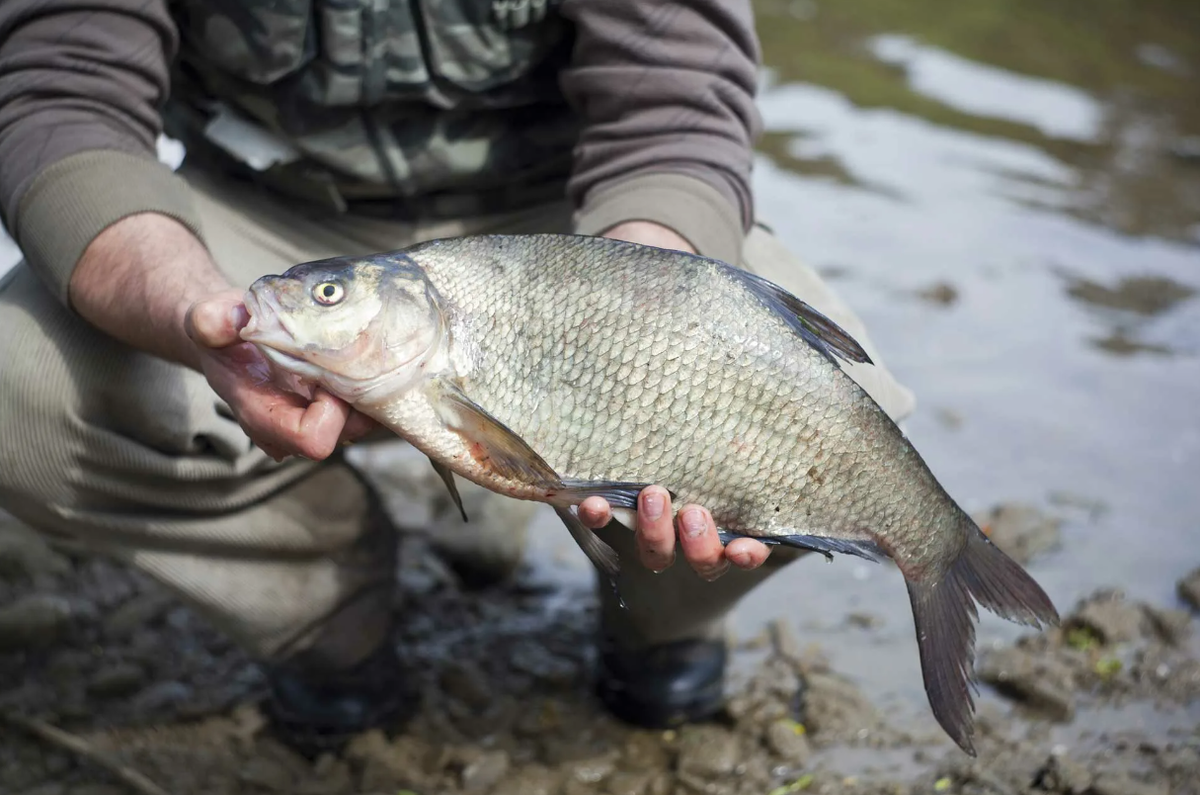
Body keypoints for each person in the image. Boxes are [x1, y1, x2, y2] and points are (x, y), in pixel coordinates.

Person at [0, 0, 915, 755]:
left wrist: (640, 307)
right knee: (18, 389)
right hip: (262, 209)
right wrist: (189, 312)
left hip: (573, 225)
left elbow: (674, 104)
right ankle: (323, 607)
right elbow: (61, 91)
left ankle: (664, 612)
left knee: (831, 419)